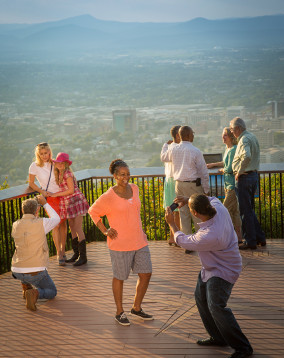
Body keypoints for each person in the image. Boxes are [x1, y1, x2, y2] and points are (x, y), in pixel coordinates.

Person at [165, 194, 253, 358]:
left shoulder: (209, 235)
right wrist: (188, 199)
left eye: (190, 207)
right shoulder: (219, 208)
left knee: (216, 306)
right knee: (201, 298)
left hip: (224, 270)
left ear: (195, 213)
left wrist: (172, 223)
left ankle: (243, 348)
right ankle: (218, 337)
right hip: (212, 267)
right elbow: (211, 198)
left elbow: (183, 240)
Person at [88, 159, 153, 326]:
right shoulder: (108, 197)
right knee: (120, 277)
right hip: (120, 243)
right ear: (115, 176)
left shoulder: (135, 189)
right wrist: (104, 230)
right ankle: (119, 312)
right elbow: (93, 211)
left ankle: (136, 308)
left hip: (139, 240)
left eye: (128, 174)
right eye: (122, 174)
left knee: (146, 273)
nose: (126, 177)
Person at [161, 126, 209, 252]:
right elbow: (203, 171)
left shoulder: (173, 149)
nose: (193, 135)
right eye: (192, 133)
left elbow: (163, 157)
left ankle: (187, 244)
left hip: (179, 184)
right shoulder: (195, 151)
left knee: (183, 214)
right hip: (193, 185)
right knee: (197, 213)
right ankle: (200, 241)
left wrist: (165, 145)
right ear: (188, 135)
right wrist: (206, 189)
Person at [11, 195, 60, 311]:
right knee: (52, 292)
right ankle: (34, 293)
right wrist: (45, 203)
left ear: (22, 210)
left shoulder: (15, 225)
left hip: (16, 270)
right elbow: (57, 219)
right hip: (35, 272)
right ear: (37, 210)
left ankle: (26, 286)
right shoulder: (41, 223)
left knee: (24, 254)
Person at [230, 117, 266, 250]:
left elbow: (247, 156)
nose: (232, 132)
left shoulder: (244, 139)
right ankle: (260, 237)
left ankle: (250, 241)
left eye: (232, 129)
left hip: (244, 178)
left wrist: (239, 171)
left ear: (238, 128)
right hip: (253, 175)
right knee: (249, 210)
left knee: (245, 211)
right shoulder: (252, 137)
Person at [29, 142, 67, 265]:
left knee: (63, 224)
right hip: (49, 197)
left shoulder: (54, 163)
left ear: (50, 152)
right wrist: (41, 191)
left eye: (46, 153)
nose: (44, 155)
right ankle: (58, 253)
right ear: (38, 154)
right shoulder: (34, 166)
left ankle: (63, 250)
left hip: (61, 195)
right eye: (42, 154)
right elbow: (31, 183)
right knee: (55, 224)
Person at [50, 152, 89, 266]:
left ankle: (83, 257)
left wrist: (57, 194)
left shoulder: (67, 174)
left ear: (66, 164)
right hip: (68, 203)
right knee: (72, 227)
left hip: (75, 201)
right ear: (56, 164)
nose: (60, 164)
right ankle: (76, 254)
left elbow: (71, 190)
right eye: (58, 163)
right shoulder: (60, 173)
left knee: (77, 228)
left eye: (63, 163)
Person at [207, 127, 243, 243]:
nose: (223, 137)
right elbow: (225, 162)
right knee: (234, 212)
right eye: (223, 135)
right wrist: (213, 165)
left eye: (225, 135)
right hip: (228, 184)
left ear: (231, 137)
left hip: (232, 184)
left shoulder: (233, 150)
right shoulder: (228, 149)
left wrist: (222, 170)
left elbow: (230, 168)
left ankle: (223, 236)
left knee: (223, 210)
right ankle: (238, 236)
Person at [160, 125, 181, 245]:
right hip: (175, 181)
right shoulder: (177, 148)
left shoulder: (169, 148)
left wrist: (165, 145)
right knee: (177, 210)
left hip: (169, 180)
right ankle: (176, 237)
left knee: (171, 209)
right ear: (178, 135)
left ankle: (172, 236)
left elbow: (163, 157)